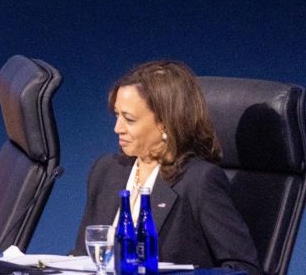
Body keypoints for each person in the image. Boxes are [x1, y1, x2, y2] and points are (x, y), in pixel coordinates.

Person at [73, 60, 261, 274]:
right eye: (117, 115)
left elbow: (244, 268)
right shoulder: (106, 170)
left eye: (129, 119)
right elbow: (82, 258)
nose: (118, 128)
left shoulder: (199, 181)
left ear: (165, 123)